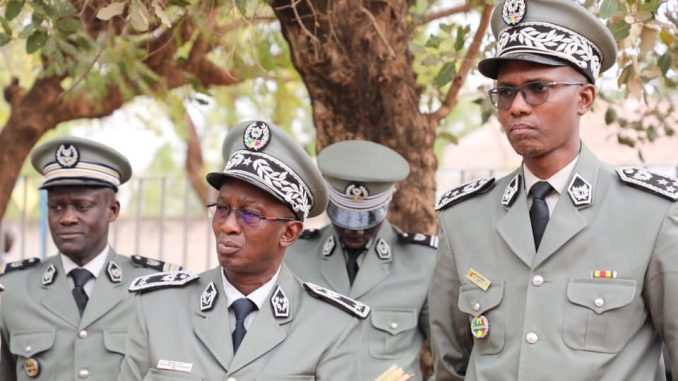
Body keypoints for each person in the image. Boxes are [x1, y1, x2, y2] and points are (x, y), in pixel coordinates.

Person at [429, 0, 678, 380]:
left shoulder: (651, 214)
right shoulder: (464, 217)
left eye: (538, 89)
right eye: (506, 93)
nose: (517, 107)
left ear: (584, 98)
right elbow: (449, 365)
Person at [118, 120, 370, 381]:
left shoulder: (332, 325)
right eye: (223, 208)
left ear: (289, 233)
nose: (228, 226)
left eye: (250, 215)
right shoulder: (157, 308)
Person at [0, 136, 180, 380]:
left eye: (82, 206)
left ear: (112, 211)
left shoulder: (154, 291)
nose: (67, 218)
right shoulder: (13, 291)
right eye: (57, 207)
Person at [286, 140, 437, 380]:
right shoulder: (294, 257)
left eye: (368, 220)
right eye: (343, 217)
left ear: (387, 203)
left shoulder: (423, 262)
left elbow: (450, 356)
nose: (355, 231)